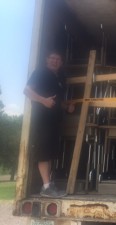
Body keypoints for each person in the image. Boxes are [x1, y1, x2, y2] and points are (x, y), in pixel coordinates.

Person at [24, 50, 74, 197]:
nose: (55, 61)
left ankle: (49, 184)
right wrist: (43, 100)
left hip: (54, 120)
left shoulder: (60, 78)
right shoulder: (40, 72)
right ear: (47, 60)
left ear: (61, 63)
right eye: (52, 58)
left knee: (50, 153)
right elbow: (27, 91)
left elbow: (57, 102)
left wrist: (67, 107)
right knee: (44, 152)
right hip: (42, 119)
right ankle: (46, 187)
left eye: (58, 59)